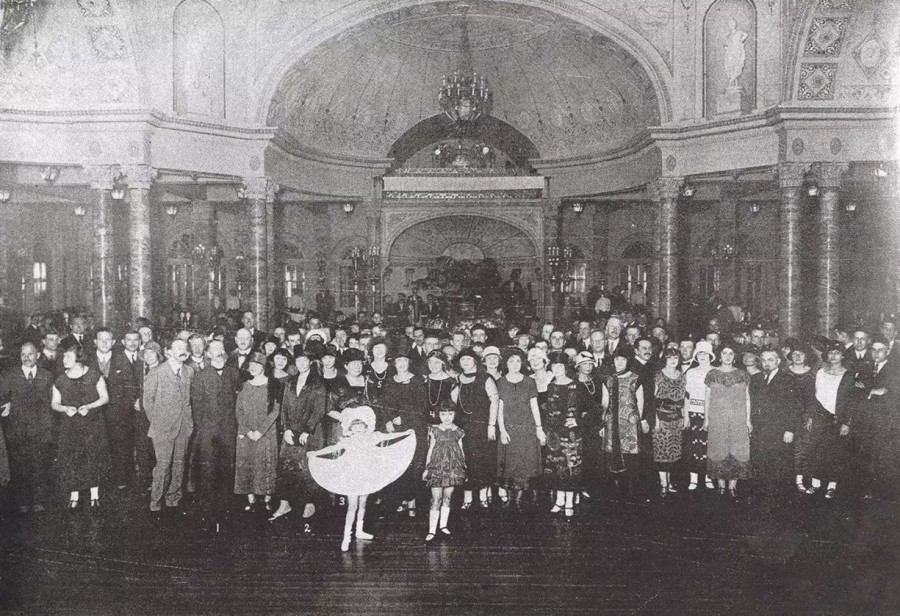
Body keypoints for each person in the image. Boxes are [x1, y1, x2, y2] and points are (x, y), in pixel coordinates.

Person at [307, 403, 415, 552]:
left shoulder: (372, 437)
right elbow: (333, 449)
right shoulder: (347, 441)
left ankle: (359, 530)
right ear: (350, 429)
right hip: (352, 476)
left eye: (361, 428)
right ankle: (346, 536)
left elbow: (389, 436)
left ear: (366, 427)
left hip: (365, 475)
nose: (358, 431)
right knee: (352, 506)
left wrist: (405, 433)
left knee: (363, 504)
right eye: (355, 428)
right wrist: (316, 453)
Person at [269, 351, 327, 529]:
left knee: (308, 469)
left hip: (310, 432)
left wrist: (307, 430)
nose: (301, 364)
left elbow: (319, 409)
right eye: (298, 361)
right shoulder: (290, 381)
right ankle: (284, 504)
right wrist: (286, 429)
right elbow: (284, 406)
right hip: (291, 431)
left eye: (304, 360)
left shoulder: (318, 382)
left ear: (310, 362)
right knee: (286, 467)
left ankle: (310, 505)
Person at [189, 339, 241, 524]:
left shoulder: (234, 373)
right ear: (208, 354)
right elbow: (196, 405)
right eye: (215, 349)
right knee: (208, 469)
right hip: (208, 430)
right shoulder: (201, 376)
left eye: (221, 348)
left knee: (227, 468)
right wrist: (203, 428)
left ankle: (226, 508)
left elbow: (239, 401)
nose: (219, 352)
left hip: (229, 429)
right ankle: (207, 509)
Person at [52, 345, 110, 510]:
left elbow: (105, 398)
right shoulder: (60, 380)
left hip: (92, 424)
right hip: (70, 425)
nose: (64, 360)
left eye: (68, 357)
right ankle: (74, 495)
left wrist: (89, 406)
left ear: (79, 359)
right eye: (64, 356)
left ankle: (94, 495)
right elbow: (54, 403)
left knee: (93, 457)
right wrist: (65, 409)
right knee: (71, 459)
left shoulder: (94, 375)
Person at [0, 342, 55, 512]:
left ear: (37, 355)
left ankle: (39, 500)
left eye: (30, 354)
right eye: (23, 354)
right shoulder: (9, 376)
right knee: (19, 466)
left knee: (40, 464)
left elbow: (53, 403)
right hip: (17, 430)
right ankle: (22, 502)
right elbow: (2, 399)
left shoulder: (47, 376)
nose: (26, 357)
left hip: (41, 429)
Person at [143, 339, 194, 514]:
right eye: (178, 348)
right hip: (162, 428)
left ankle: (173, 498)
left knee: (179, 465)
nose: (182, 351)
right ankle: (156, 501)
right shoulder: (157, 372)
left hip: (184, 426)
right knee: (163, 466)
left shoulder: (189, 371)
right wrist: (158, 422)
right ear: (168, 352)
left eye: (185, 348)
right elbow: (147, 402)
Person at [497, 349, 545, 509]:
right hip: (509, 430)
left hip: (527, 430)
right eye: (511, 361)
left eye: (518, 361)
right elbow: (499, 409)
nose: (515, 364)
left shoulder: (530, 382)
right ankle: (511, 502)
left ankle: (522, 503)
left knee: (527, 465)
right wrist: (502, 431)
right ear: (506, 363)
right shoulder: (500, 382)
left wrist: (539, 428)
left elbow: (534, 407)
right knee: (511, 466)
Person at [804, 342, 854, 499]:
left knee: (834, 452)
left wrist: (846, 422)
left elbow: (850, 401)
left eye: (837, 353)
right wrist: (811, 416)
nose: (833, 356)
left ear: (842, 356)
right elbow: (815, 396)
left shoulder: (848, 375)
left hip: (837, 418)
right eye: (831, 352)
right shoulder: (820, 372)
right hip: (820, 416)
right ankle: (815, 484)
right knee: (817, 450)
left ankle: (832, 486)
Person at [380, 355, 428, 518]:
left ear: (409, 363)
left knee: (415, 464)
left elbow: (422, 405)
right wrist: (387, 421)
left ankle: (411, 500)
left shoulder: (418, 381)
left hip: (415, 427)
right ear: (394, 363)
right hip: (395, 428)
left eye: (405, 360)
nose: (401, 364)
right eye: (398, 361)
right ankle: (399, 499)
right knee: (398, 464)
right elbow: (383, 404)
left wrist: (405, 418)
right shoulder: (389, 381)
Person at [234, 352, 281, 512]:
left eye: (257, 365)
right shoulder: (244, 385)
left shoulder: (273, 385)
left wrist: (260, 431)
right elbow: (239, 411)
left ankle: (267, 499)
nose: (253, 367)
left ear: (264, 367)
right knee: (247, 464)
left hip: (266, 433)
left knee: (266, 464)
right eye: (251, 365)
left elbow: (275, 411)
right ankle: (251, 499)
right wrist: (248, 431)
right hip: (246, 433)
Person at [453, 348, 499, 510]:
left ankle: (483, 496)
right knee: (466, 461)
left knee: (482, 461)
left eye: (469, 359)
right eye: (463, 359)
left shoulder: (485, 378)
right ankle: (467, 498)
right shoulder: (457, 379)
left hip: (482, 427)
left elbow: (495, 401)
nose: (466, 362)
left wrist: (491, 425)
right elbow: (454, 404)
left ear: (475, 361)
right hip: (463, 427)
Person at [704, 343, 751, 497]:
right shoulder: (712, 374)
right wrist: (706, 419)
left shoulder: (742, 374)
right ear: (719, 355)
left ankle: (732, 486)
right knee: (718, 448)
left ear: (735, 356)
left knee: (737, 449)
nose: (728, 356)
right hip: (717, 418)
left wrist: (748, 420)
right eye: (725, 353)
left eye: (731, 353)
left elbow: (747, 398)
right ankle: (721, 486)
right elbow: (707, 398)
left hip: (738, 418)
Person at [749, 350, 798, 495]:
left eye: (770, 360)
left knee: (778, 463)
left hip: (779, 429)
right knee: (760, 460)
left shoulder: (788, 379)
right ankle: (761, 494)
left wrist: (790, 429)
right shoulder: (756, 378)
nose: (766, 363)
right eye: (764, 360)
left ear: (778, 361)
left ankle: (779, 496)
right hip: (759, 428)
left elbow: (794, 406)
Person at [603, 346, 645, 502]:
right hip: (612, 423)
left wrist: (638, 421)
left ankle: (631, 494)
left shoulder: (635, 378)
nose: (619, 362)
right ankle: (616, 493)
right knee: (612, 454)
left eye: (623, 360)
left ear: (628, 361)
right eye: (617, 359)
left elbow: (640, 402)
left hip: (630, 423)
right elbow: (605, 402)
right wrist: (603, 423)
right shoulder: (608, 379)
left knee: (631, 456)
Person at [541, 352, 581, 517]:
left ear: (566, 367)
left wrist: (577, 421)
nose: (557, 369)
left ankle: (569, 502)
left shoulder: (575, 385)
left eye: (560, 366)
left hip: (569, 432)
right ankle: (559, 500)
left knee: (569, 466)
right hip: (553, 432)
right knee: (556, 466)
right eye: (554, 366)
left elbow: (585, 408)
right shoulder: (550, 385)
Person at [102, 330, 143, 489]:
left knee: (140, 444)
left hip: (140, 410)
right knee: (121, 445)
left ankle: (138, 478)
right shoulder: (114, 359)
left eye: (136, 340)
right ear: (123, 342)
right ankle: (122, 479)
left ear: (140, 341)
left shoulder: (144, 358)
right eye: (129, 340)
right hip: (120, 411)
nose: (132, 343)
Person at [423, 401, 466, 543]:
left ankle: (443, 526)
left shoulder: (458, 431)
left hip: (452, 469)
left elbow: (461, 450)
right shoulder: (434, 430)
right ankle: (431, 530)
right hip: (437, 468)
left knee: (447, 498)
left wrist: (463, 467)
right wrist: (427, 468)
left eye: (450, 414)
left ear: (455, 414)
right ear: (439, 415)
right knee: (436, 499)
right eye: (443, 414)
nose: (446, 417)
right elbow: (430, 449)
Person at [653, 348, 686, 496]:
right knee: (662, 451)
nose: (673, 361)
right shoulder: (658, 375)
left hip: (677, 419)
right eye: (670, 358)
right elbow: (653, 400)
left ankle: (670, 481)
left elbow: (685, 398)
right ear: (665, 359)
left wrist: (685, 417)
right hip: (662, 418)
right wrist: (656, 420)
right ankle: (663, 484)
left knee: (673, 452)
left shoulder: (682, 376)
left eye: (676, 358)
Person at [684, 341, 715, 490]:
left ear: (710, 356)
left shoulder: (716, 371)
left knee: (709, 446)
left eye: (705, 353)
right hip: (693, 412)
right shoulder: (690, 372)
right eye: (700, 353)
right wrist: (686, 416)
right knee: (693, 446)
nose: (702, 356)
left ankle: (708, 477)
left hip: (711, 413)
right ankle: (693, 479)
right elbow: (686, 395)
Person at [786, 343, 816, 493]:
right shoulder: (784, 373)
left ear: (806, 356)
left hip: (804, 417)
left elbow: (813, 399)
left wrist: (810, 416)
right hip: (786, 416)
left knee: (803, 448)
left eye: (801, 354)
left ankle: (801, 480)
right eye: (795, 354)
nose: (798, 357)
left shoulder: (812, 375)